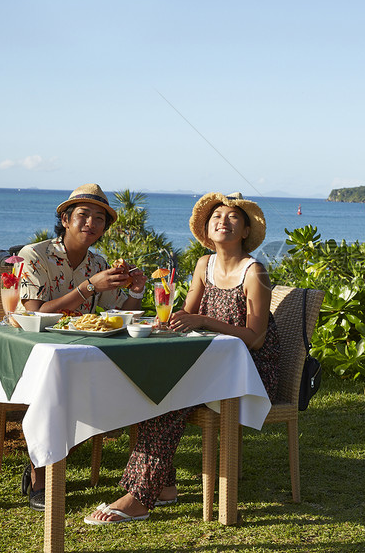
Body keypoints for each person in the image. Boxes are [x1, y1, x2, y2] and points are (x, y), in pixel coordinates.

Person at [84, 191, 280, 525]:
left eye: (233, 217)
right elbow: (188, 313)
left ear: (246, 231)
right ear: (208, 229)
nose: (223, 221)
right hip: (208, 365)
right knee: (153, 384)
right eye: (216, 216)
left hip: (248, 371)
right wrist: (169, 318)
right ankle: (163, 486)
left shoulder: (254, 272)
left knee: (171, 396)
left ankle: (139, 497)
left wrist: (202, 321)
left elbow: (256, 338)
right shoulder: (205, 264)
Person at [17, 183, 147, 511]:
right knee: (65, 391)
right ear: (65, 218)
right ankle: (40, 475)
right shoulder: (34, 255)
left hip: (75, 352)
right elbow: (35, 314)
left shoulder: (98, 262)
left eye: (99, 218)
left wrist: (136, 288)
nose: (91, 222)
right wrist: (89, 287)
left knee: (104, 388)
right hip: (31, 350)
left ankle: (43, 461)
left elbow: (121, 312)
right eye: (83, 215)